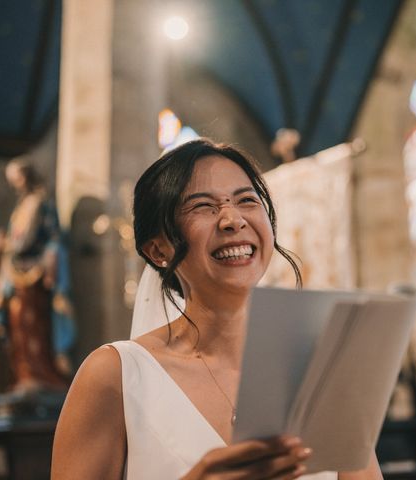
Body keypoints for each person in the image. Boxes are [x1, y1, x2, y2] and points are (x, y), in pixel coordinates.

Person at [51, 139, 383, 479]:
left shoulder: (322, 373)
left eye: (247, 200)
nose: (232, 219)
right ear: (157, 250)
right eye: (203, 207)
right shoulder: (114, 375)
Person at [0, 159, 75, 393]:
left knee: (34, 324)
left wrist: (51, 258)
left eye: (19, 177)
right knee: (18, 326)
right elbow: (14, 240)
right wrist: (0, 243)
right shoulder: (21, 207)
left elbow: (54, 238)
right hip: (15, 277)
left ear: (28, 176)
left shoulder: (42, 204)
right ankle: (24, 373)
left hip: (36, 278)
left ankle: (41, 373)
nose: (16, 184)